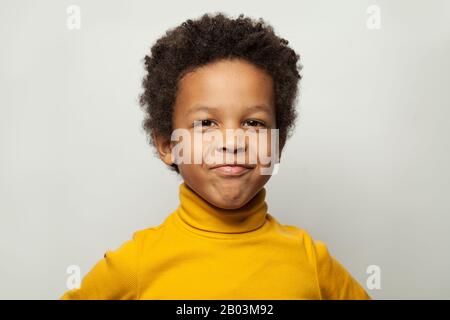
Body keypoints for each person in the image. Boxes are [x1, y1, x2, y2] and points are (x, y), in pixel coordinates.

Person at [60, 12, 371, 300]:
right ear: (168, 145)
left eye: (253, 123)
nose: (232, 142)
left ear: (278, 145)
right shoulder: (135, 264)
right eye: (206, 123)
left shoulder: (311, 261)